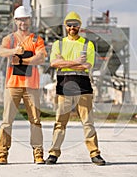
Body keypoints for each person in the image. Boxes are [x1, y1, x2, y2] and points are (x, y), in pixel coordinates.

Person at [45, 11, 106, 166]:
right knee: (60, 122)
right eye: (69, 24)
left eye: (76, 24)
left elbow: (87, 65)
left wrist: (65, 62)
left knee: (88, 122)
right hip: (64, 87)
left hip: (83, 88)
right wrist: (76, 61)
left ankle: (95, 154)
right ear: (65, 26)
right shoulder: (58, 44)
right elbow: (54, 64)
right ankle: (53, 154)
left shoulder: (88, 44)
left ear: (80, 26)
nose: (72, 27)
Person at [0, 6, 47, 165]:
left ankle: (38, 153)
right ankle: (2, 153)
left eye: (25, 19)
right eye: (20, 19)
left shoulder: (36, 39)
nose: (23, 22)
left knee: (35, 120)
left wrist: (23, 60)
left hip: (31, 86)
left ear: (30, 20)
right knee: (7, 121)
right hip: (13, 85)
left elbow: (41, 58)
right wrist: (14, 51)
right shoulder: (9, 39)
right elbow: (1, 52)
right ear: (15, 21)